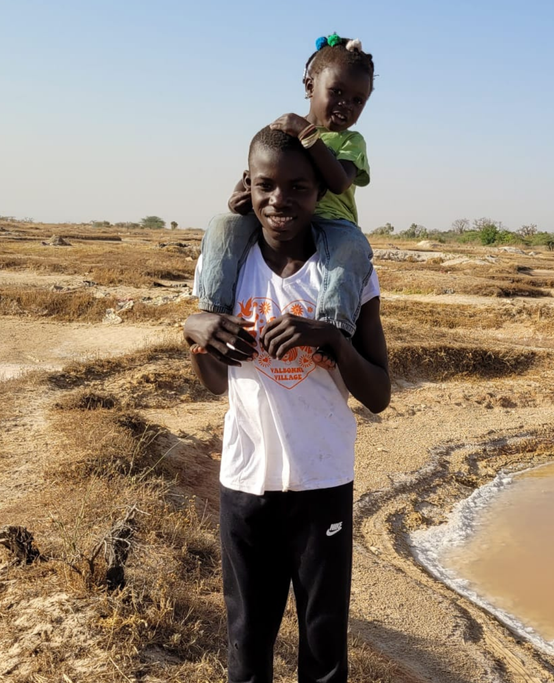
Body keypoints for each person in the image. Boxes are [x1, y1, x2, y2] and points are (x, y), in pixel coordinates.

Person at [184, 124, 390, 683]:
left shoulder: (347, 276)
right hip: (245, 483)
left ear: (320, 192)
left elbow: (378, 395)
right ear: (247, 187)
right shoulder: (228, 265)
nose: (280, 200)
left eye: (298, 186)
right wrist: (199, 329)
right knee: (247, 642)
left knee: (323, 644)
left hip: (322, 483)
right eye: (266, 185)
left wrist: (331, 340)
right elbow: (213, 383)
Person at [196, 33, 376, 355]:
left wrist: (307, 135)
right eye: (336, 92)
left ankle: (333, 330)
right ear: (309, 86)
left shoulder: (351, 142)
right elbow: (259, 172)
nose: (346, 105)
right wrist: (239, 196)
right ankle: (214, 312)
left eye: (358, 100)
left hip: (333, 227)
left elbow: (337, 182)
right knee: (222, 226)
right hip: (281, 218)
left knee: (353, 248)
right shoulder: (284, 130)